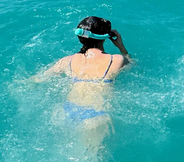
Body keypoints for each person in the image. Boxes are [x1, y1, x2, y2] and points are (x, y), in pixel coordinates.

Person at [33, 16, 129, 149]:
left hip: (65, 112)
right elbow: (135, 67)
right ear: (106, 37)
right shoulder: (116, 60)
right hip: (95, 116)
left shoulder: (67, 61)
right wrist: (121, 48)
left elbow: (38, 79)